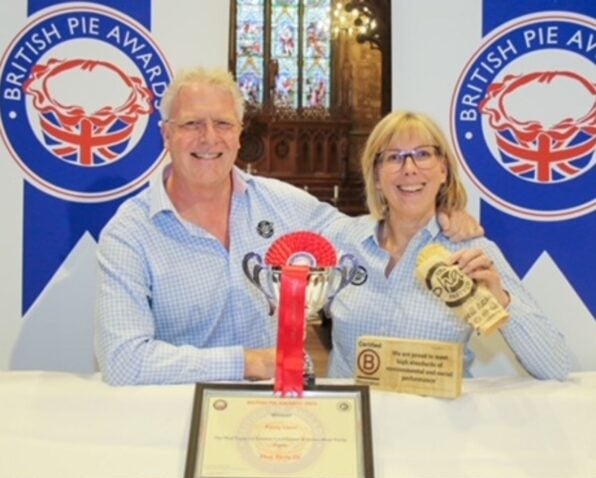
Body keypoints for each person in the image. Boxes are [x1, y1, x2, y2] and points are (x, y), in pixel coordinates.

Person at [94, 67, 481, 385]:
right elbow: (124, 361)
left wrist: (436, 214)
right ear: (166, 134)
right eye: (192, 123)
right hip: (172, 421)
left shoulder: (282, 205)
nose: (209, 138)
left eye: (223, 124)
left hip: (273, 415)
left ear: (240, 133)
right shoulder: (130, 233)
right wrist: (249, 363)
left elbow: (367, 236)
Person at [324, 111, 571, 381]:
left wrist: (503, 302)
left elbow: (555, 368)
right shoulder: (342, 241)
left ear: (443, 170)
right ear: (376, 177)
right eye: (394, 157)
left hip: (438, 420)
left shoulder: (471, 252)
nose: (409, 168)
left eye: (423, 154)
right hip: (356, 418)